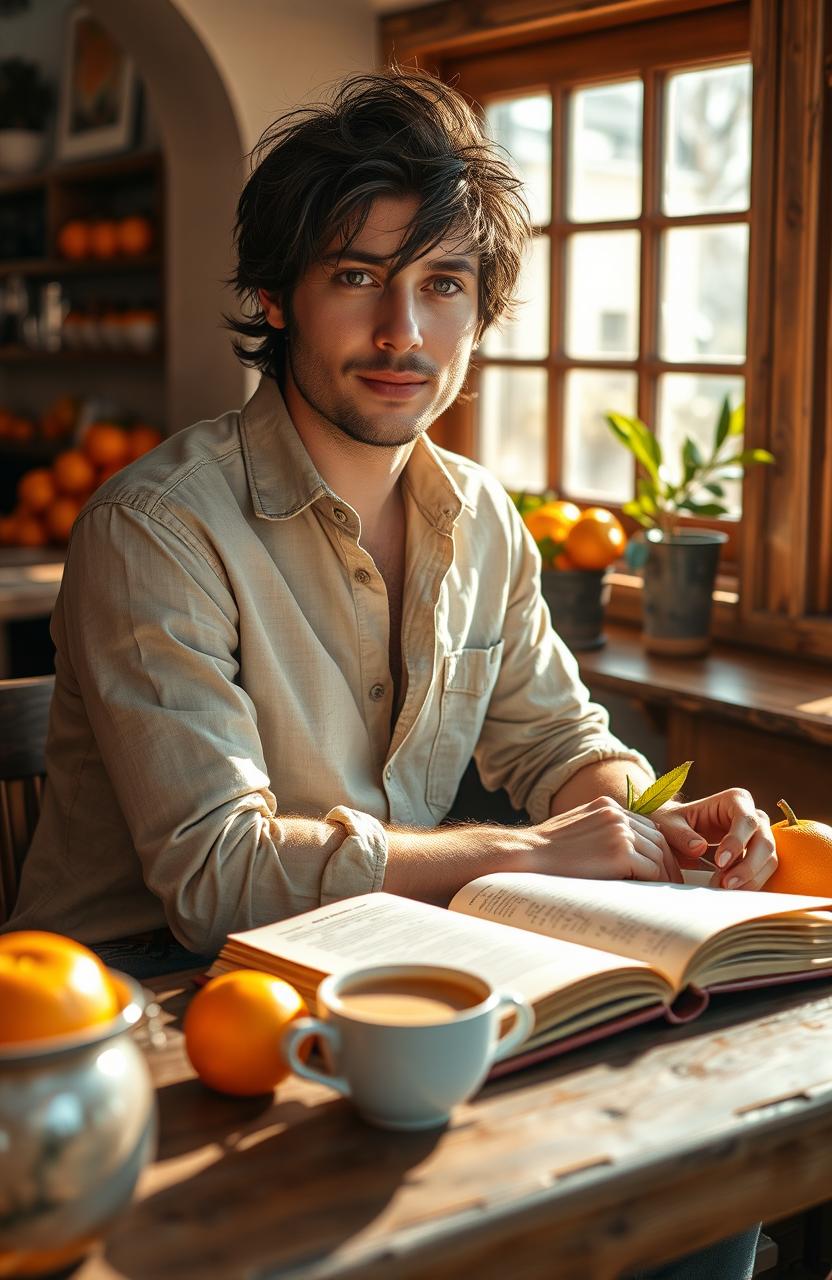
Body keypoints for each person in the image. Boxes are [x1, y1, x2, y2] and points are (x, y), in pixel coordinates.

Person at [7, 66, 768, 1280]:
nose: (402, 332)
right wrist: (520, 854)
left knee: (702, 1193)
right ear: (277, 297)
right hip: (135, 1021)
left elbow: (552, 738)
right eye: (357, 278)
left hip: (379, 973)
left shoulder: (482, 516)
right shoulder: (157, 527)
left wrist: (652, 821)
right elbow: (215, 877)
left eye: (442, 285)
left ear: (478, 313)